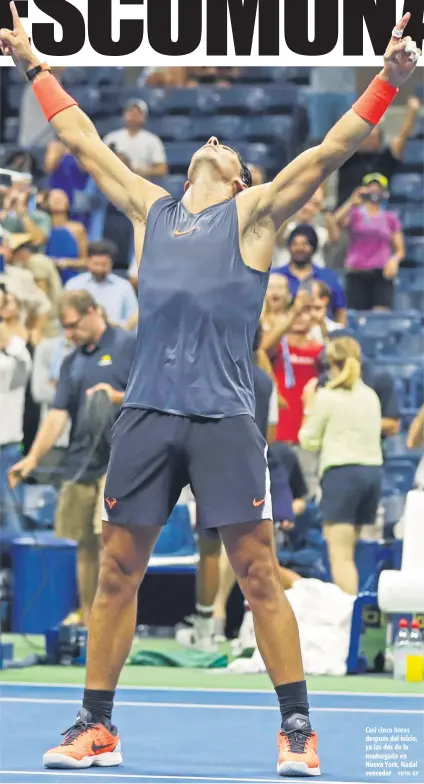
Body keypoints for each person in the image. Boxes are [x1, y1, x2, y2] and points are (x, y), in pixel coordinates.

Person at [1, 5, 419, 774]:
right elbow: (81, 140)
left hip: (225, 417)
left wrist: (388, 83)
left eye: (227, 148)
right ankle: (96, 725)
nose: (215, 141)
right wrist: (32, 61)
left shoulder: (254, 216)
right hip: (148, 413)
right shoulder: (149, 210)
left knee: (258, 574)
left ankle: (296, 727)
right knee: (118, 570)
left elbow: (331, 150)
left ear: (240, 178)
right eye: (211, 142)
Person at [10, 290, 137, 628]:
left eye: (73, 326)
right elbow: (58, 413)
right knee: (83, 542)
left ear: (94, 311)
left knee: (109, 541)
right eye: (65, 329)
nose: (69, 335)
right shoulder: (73, 360)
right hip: (80, 461)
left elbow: (155, 394)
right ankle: (89, 617)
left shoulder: (128, 345)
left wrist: (116, 397)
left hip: (120, 462)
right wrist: (33, 459)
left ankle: (115, 617)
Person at [299, 337, 383, 595]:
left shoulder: (327, 396)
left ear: (329, 364)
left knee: (341, 558)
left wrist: (307, 406)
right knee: (351, 554)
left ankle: (348, 624)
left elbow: (308, 440)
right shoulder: (370, 395)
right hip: (372, 475)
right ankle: (353, 617)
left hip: (342, 475)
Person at [335, 173, 405, 311]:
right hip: (357, 273)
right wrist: (351, 201)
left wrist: (394, 260)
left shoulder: (390, 218)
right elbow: (336, 221)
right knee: (356, 316)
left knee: (380, 315)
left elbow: (400, 249)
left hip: (381, 274)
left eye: (378, 188)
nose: (374, 191)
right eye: (370, 187)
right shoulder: (354, 214)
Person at [336, 95, 421, 206]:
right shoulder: (347, 156)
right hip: (346, 214)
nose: (369, 131)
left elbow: (402, 137)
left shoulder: (385, 158)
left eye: (373, 128)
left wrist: (411, 114)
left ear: (379, 136)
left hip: (378, 214)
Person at [0, 296, 32, 531]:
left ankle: (19, 566)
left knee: (12, 511)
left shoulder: (15, 358)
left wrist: (7, 340)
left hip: (7, 447)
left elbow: (22, 367)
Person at [274, 224, 347, 323]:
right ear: (289, 247)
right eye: (295, 244)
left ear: (313, 247)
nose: (299, 248)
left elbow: (340, 311)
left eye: (305, 244)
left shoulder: (328, 276)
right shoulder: (276, 277)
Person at [64, 241, 138, 328]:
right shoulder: (74, 285)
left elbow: (133, 320)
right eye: (96, 264)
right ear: (87, 262)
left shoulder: (123, 286)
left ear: (111, 263)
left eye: (104, 265)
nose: (99, 268)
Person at [273, 187, 340, 268]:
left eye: (312, 204)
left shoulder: (320, 231)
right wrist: (291, 205)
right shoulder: (286, 228)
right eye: (303, 204)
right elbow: (276, 237)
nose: (306, 208)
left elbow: (335, 238)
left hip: (315, 277)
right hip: (285, 277)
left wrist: (322, 208)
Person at [103, 99, 168, 179]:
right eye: (131, 112)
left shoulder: (152, 140)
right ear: (124, 115)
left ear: (144, 117)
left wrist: (137, 171)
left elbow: (162, 169)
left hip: (142, 184)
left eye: (138, 114)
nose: (134, 116)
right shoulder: (111, 138)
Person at [45, 189, 88, 283]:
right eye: (53, 198)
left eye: (61, 198)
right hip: (45, 277)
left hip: (71, 279)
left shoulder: (78, 229)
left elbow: (85, 261)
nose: (57, 200)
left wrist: (65, 262)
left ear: (68, 203)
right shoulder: (41, 229)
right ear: (46, 203)